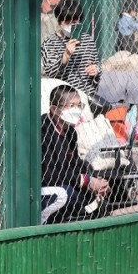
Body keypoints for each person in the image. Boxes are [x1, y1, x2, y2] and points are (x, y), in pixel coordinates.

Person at [40, 84, 111, 224]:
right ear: (54, 109)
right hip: (43, 187)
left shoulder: (70, 132)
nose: (77, 110)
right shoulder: (43, 130)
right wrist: (87, 181)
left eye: (79, 105)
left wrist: (96, 181)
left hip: (65, 182)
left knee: (103, 190)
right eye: (71, 106)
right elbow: (49, 175)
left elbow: (76, 163)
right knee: (68, 194)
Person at [40, 0, 102, 100]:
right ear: (60, 21)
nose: (72, 26)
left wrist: (95, 70)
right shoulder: (50, 43)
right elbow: (51, 73)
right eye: (68, 23)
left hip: (88, 95)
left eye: (75, 23)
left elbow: (97, 66)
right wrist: (66, 55)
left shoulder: (87, 40)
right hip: (64, 97)